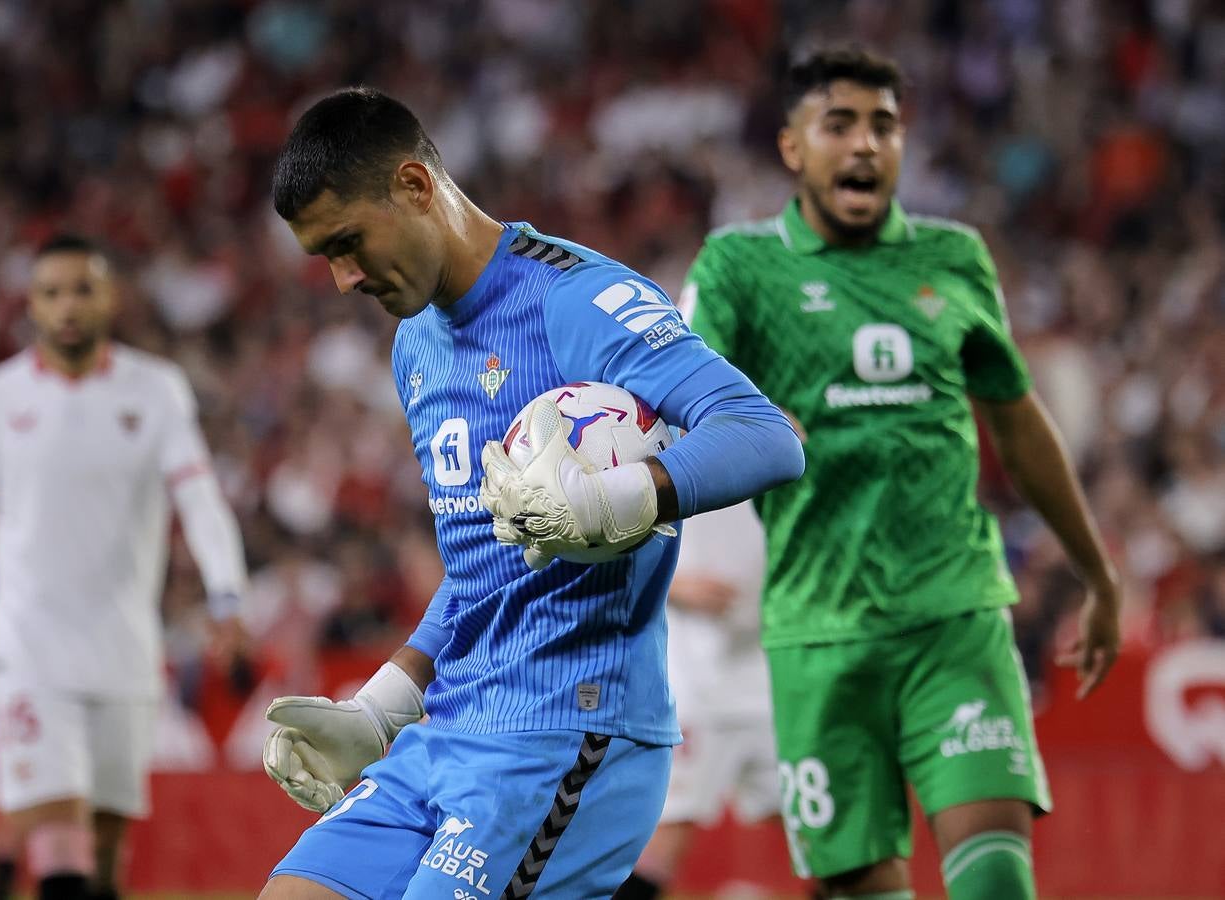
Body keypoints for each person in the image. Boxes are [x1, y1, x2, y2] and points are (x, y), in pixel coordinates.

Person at [257, 87, 805, 899]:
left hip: (569, 733)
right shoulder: (416, 347)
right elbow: (484, 574)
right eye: (325, 257)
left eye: (348, 244)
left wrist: (621, 498)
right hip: (448, 734)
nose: (343, 280)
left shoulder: (577, 300)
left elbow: (766, 437)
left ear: (414, 186)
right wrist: (381, 709)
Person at [679, 48, 1123, 900]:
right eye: (838, 124)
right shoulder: (738, 268)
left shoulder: (954, 258)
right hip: (817, 634)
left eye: (883, 125)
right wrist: (752, 414)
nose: (866, 145)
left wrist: (1096, 572)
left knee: (995, 874)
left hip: (952, 615)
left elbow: (1020, 428)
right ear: (792, 149)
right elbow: (675, 386)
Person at [0, 234, 250, 900]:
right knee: (60, 839)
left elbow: (201, 502)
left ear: (110, 297)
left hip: (123, 650)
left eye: (82, 289)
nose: (67, 306)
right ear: (30, 304)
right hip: (26, 650)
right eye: (52, 292)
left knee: (108, 856)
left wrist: (228, 602)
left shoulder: (156, 391)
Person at [616, 501, 782, 899]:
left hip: (771, 663)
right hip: (692, 673)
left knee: (823, 827)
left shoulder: (793, 446)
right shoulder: (675, 441)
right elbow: (594, 528)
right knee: (665, 834)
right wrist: (669, 582)